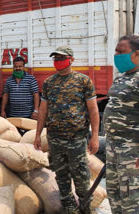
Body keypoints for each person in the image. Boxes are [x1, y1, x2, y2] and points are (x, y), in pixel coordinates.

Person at [34, 46, 99, 214]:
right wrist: (37, 135)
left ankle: (85, 207)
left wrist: (95, 137)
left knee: (81, 175)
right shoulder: (49, 83)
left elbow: (93, 110)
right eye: (55, 59)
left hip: (76, 139)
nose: (58, 62)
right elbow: (43, 110)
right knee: (61, 174)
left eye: (61, 58)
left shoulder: (83, 81)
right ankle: (69, 207)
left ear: (71, 59)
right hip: (55, 138)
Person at [103, 35, 139, 213]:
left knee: (132, 199)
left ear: (137, 54)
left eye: (121, 51)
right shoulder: (122, 77)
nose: (116, 54)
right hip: (113, 147)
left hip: (132, 150)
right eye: (116, 50)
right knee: (114, 193)